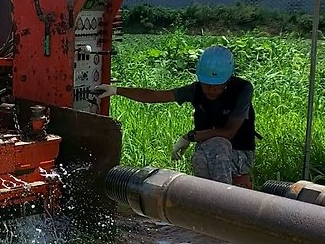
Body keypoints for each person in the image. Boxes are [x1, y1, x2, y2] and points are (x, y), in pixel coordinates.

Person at [95, 45, 257, 188]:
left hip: (239, 155)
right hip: (209, 152)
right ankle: (207, 203)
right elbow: (157, 96)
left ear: (228, 80)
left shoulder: (242, 89)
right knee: (199, 157)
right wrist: (116, 90)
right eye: (206, 85)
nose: (210, 90)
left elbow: (228, 133)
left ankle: (226, 202)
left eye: (216, 86)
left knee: (218, 144)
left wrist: (190, 136)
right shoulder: (195, 90)